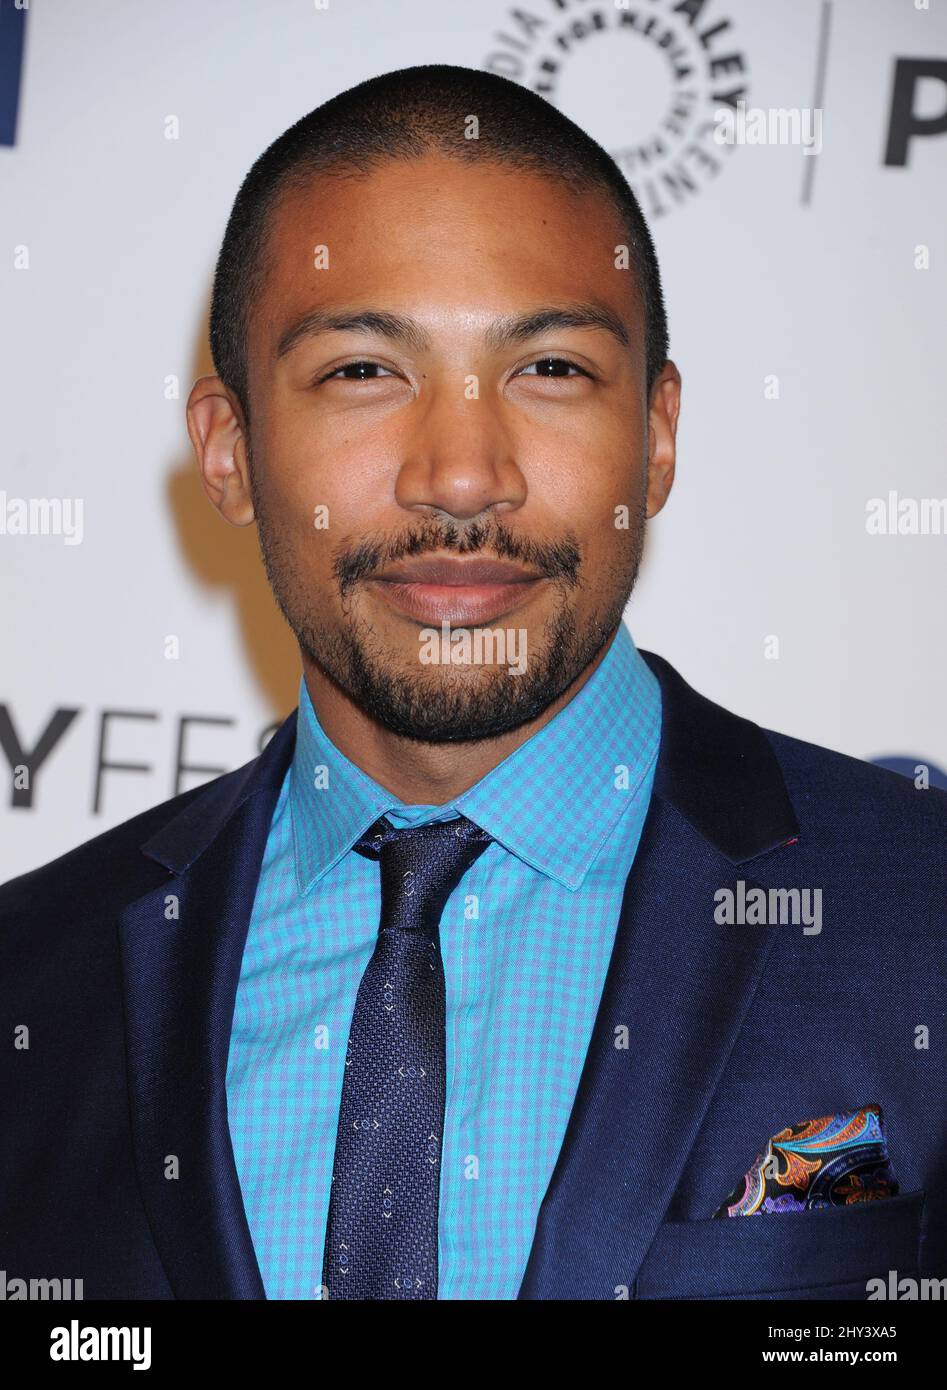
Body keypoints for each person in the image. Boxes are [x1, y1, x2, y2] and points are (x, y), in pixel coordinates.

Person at [1, 65, 944, 1302]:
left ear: (655, 438)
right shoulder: (35, 982)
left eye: (548, 367)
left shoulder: (917, 915)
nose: (459, 475)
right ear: (228, 453)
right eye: (361, 371)